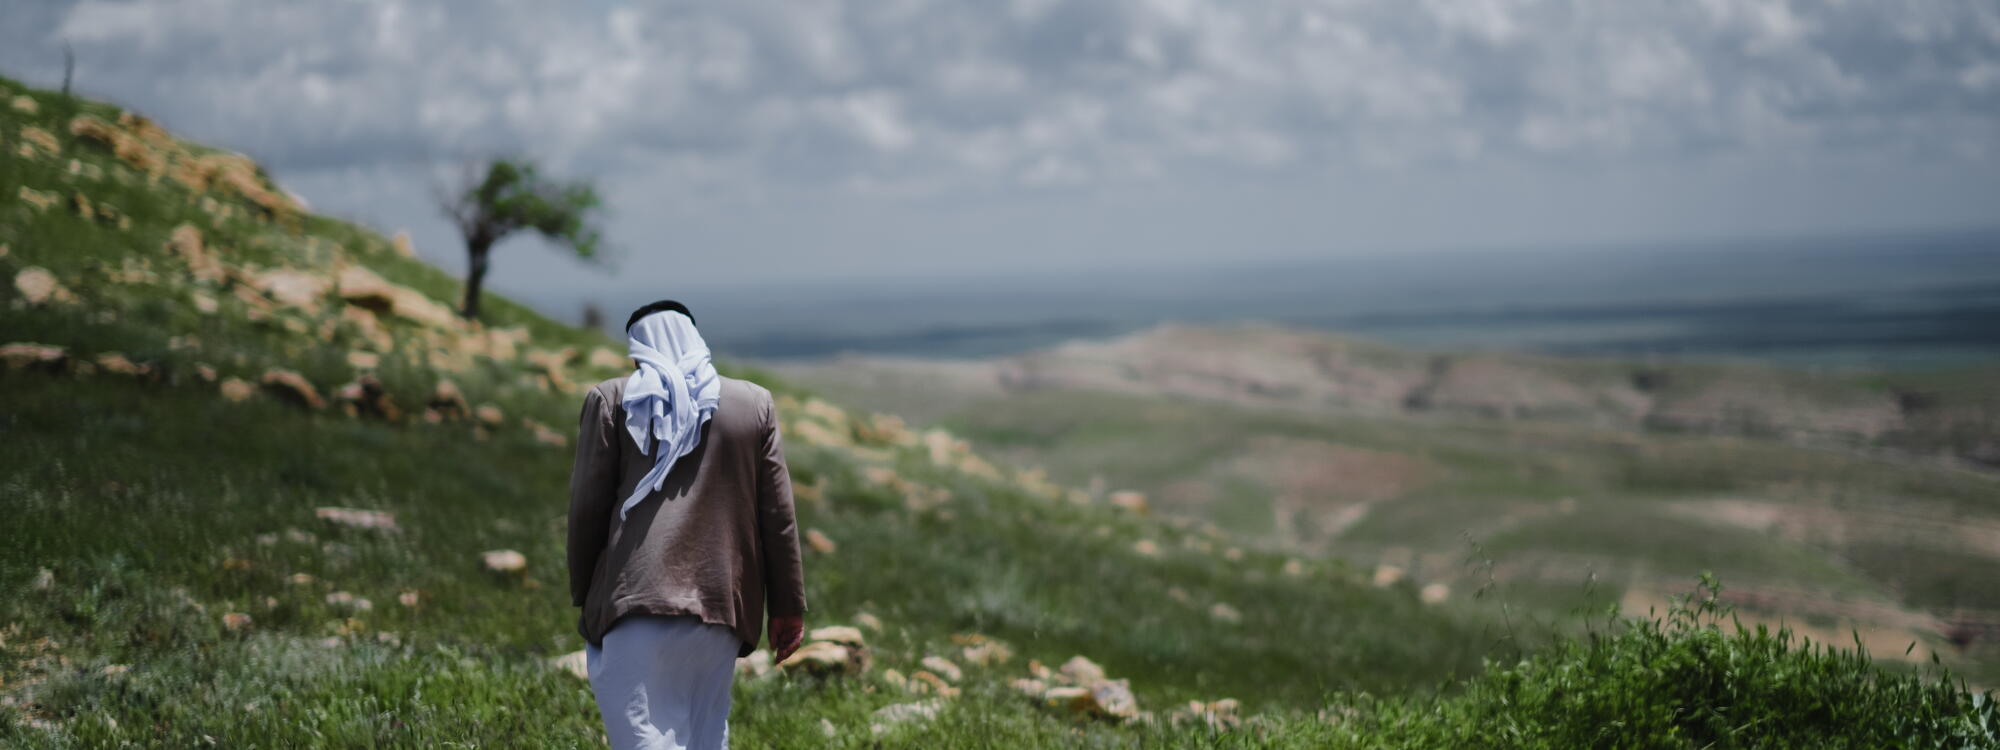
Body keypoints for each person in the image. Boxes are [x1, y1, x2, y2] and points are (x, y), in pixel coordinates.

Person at [566, 300, 807, 750]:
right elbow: (778, 517)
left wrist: (585, 594)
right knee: (704, 736)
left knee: (644, 738)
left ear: (639, 349)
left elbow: (586, 512)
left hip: (634, 601)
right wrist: (787, 606)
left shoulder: (613, 400)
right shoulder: (753, 404)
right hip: (722, 609)